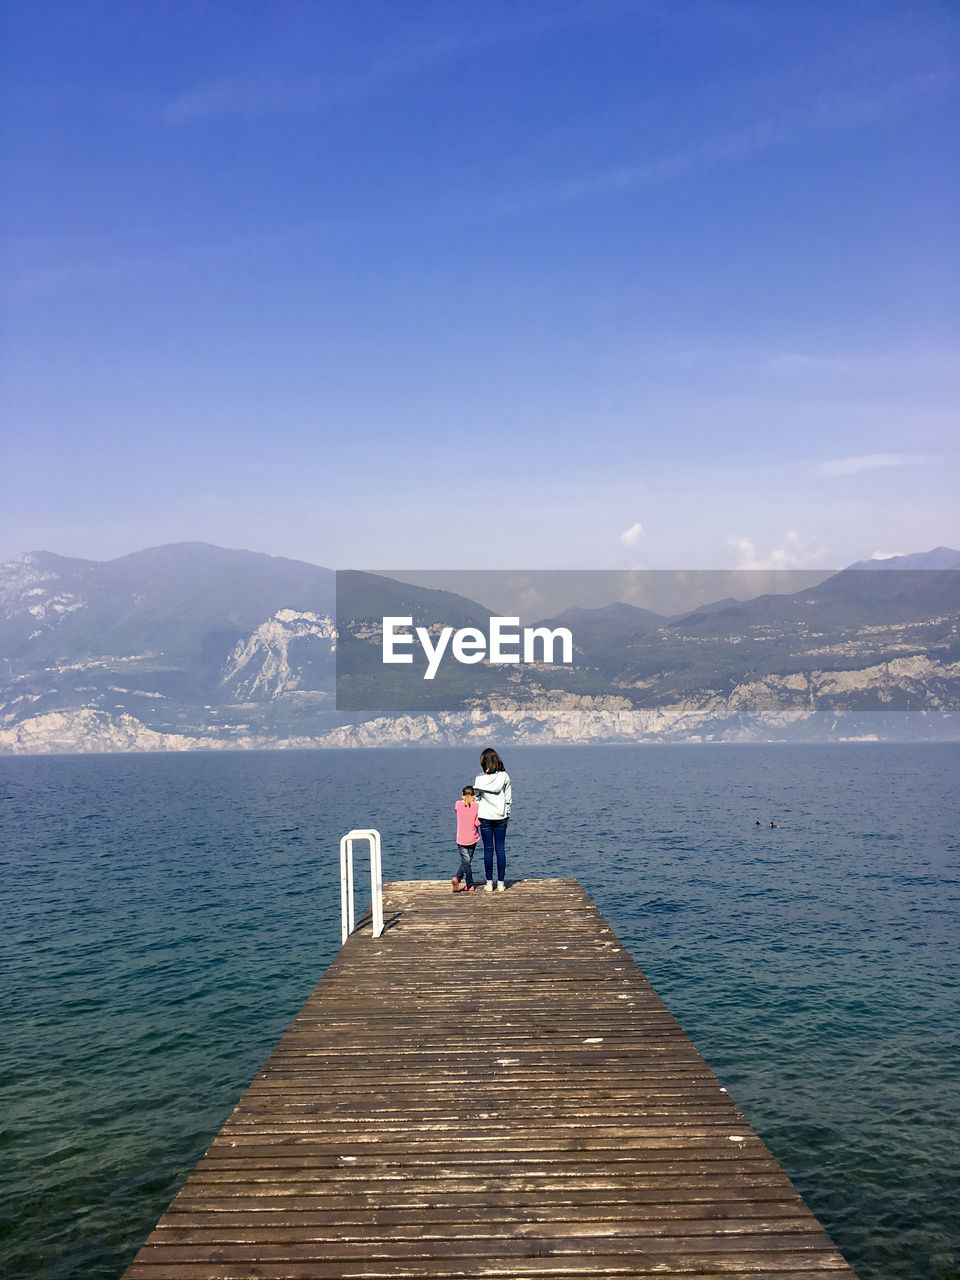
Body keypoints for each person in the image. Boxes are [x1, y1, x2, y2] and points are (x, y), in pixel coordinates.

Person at [473, 747, 511, 892]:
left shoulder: (479, 779)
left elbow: (476, 799)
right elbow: (508, 799)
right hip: (500, 816)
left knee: (488, 850)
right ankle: (501, 883)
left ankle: (489, 883)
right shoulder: (504, 777)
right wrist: (507, 815)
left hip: (485, 817)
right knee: (500, 849)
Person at [451, 784, 480, 892]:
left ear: (462, 795)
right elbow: (477, 823)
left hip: (461, 839)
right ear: (474, 796)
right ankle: (470, 884)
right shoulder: (477, 806)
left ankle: (457, 879)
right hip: (472, 839)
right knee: (467, 862)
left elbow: (458, 811)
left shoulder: (457, 804)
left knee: (465, 862)